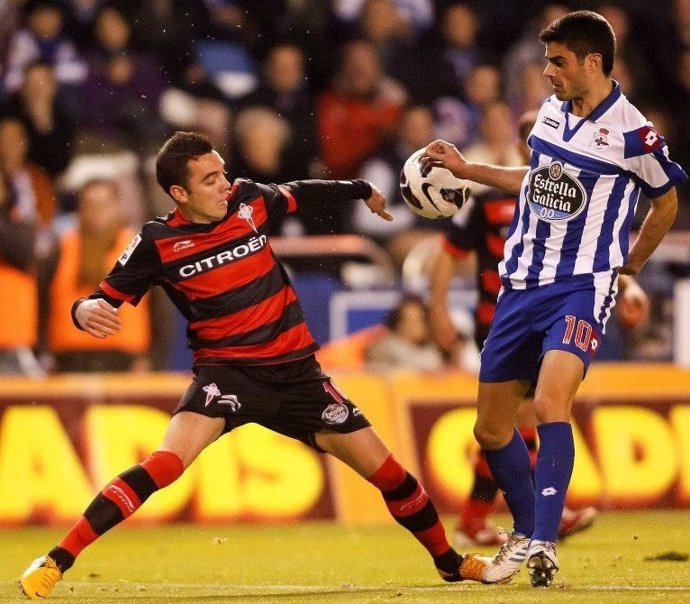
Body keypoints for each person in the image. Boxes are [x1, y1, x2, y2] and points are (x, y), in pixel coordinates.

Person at [19, 131, 490, 599]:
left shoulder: (247, 200)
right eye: (210, 179)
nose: (225, 183)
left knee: (390, 475)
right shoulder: (157, 242)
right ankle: (56, 561)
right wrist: (83, 310)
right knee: (165, 463)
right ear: (179, 194)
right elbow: (102, 298)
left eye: (222, 171)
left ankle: (450, 563)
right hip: (228, 377)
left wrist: (361, 189)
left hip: (298, 375)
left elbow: (301, 192)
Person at [422, 10, 686, 588]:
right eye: (547, 61)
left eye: (557, 61)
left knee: (548, 403)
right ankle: (524, 530)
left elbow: (665, 200)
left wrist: (631, 263)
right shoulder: (550, 112)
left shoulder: (633, 132)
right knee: (490, 430)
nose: (546, 72)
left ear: (593, 61)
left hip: (581, 286)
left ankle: (543, 541)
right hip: (519, 284)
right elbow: (534, 177)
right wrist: (468, 170)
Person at [429, 110, 647, 547]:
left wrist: (630, 282)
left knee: (510, 424)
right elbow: (448, 254)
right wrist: (437, 309)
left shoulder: (576, 195)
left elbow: (591, 252)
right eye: (531, 136)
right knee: (514, 423)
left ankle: (491, 520)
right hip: (501, 317)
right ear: (524, 143)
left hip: (554, 315)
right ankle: (536, 518)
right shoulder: (490, 199)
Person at [365, 294, 445, 371]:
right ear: (399, 323)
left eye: (419, 320)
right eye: (410, 321)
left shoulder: (430, 349)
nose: (416, 326)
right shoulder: (385, 348)